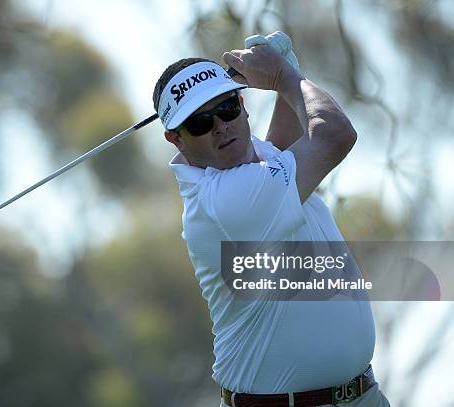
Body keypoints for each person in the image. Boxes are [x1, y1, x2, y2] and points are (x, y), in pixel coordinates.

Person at [152, 37, 391, 407]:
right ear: (176, 139)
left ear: (243, 105)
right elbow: (334, 133)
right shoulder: (225, 201)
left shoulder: (249, 163)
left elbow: (283, 145)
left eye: (228, 107)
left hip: (361, 397)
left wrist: (288, 69)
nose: (220, 126)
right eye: (200, 122)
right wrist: (284, 75)